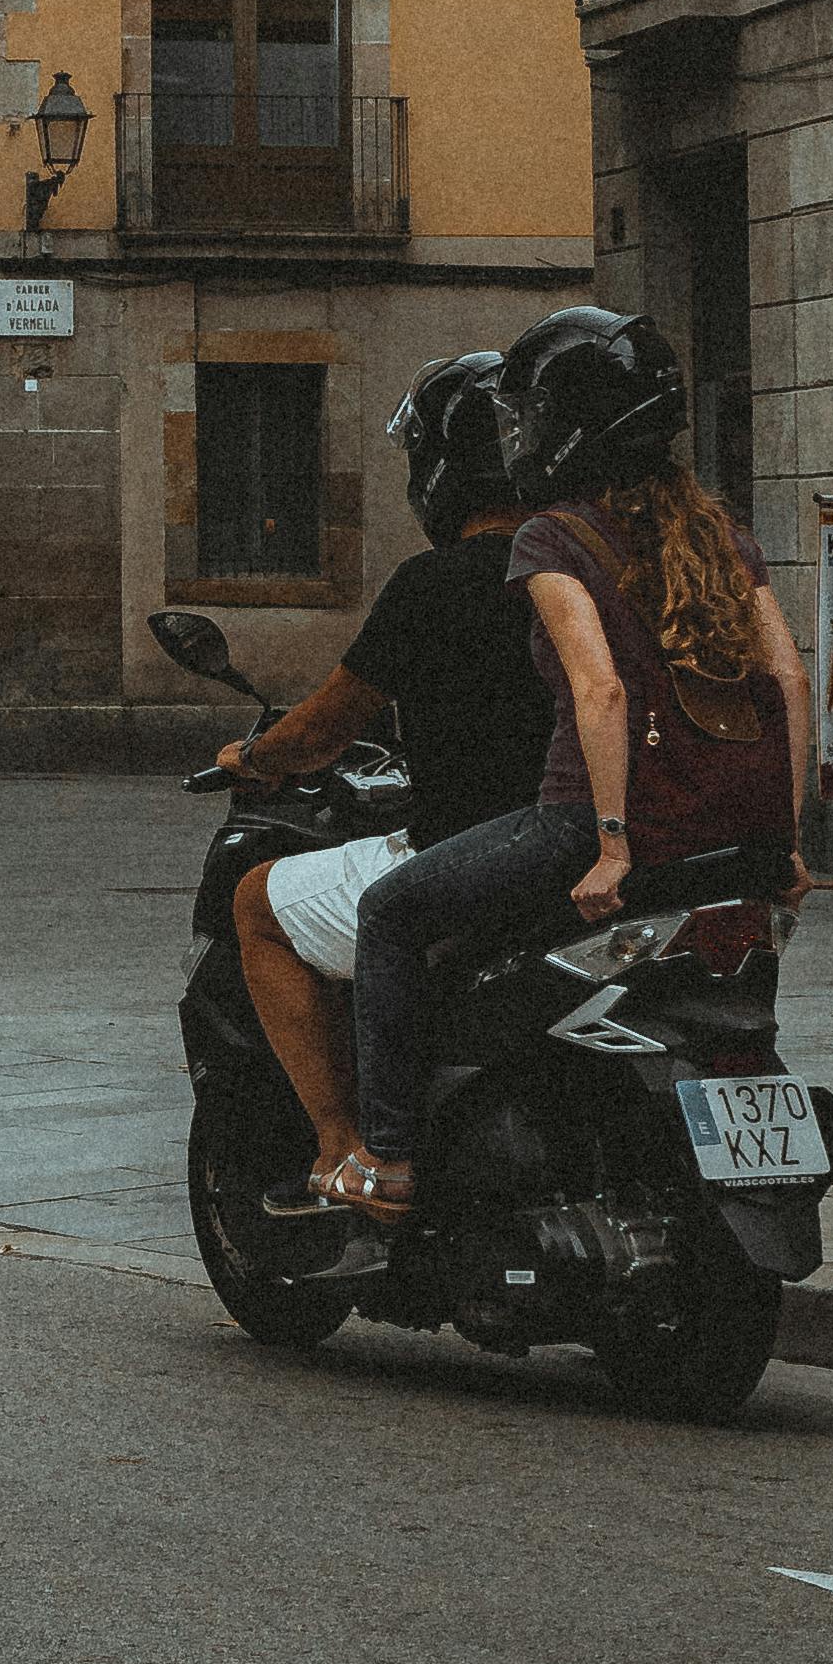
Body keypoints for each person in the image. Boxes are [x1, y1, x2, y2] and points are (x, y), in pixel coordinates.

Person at [333, 307, 813, 1229]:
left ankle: (387, 1159)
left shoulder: (552, 539)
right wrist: (781, 837)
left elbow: (598, 692)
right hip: (727, 841)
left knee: (387, 913)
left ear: (564, 428)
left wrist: (608, 845)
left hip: (590, 822)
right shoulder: (719, 533)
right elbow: (786, 677)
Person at [211, 349, 556, 1211]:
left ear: (436, 470)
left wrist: (253, 758)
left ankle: (347, 1147)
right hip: (588, 840)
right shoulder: (592, 567)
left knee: (256, 901)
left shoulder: (436, 581)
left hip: (481, 846)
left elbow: (327, 724)